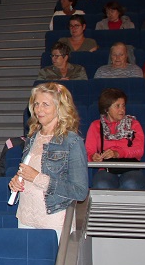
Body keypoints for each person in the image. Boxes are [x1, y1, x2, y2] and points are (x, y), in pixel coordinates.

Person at [8, 82, 90, 242]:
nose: (39, 109)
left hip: (53, 220)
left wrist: (37, 178)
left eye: (45, 104)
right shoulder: (33, 138)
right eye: (36, 104)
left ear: (60, 107)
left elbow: (80, 192)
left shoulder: (72, 141)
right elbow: (27, 174)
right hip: (25, 216)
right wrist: (16, 182)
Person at [84, 88, 145, 190]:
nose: (122, 110)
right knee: (102, 185)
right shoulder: (96, 126)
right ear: (106, 109)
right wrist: (93, 157)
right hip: (106, 168)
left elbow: (139, 150)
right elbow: (88, 151)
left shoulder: (134, 124)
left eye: (123, 105)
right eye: (117, 106)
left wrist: (118, 153)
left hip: (131, 168)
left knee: (131, 184)